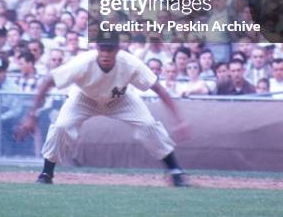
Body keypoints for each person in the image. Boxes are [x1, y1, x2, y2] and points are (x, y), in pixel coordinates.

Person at [15, 31, 189, 186]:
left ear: (118, 49)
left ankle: (174, 170)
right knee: (61, 127)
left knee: (149, 125)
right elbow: (48, 81)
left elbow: (158, 88)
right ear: (96, 48)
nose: (106, 53)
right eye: (103, 48)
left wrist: (179, 120)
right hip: (84, 97)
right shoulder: (82, 62)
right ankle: (47, 172)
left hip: (120, 99)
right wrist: (32, 115)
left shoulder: (130, 63)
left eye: (110, 49)